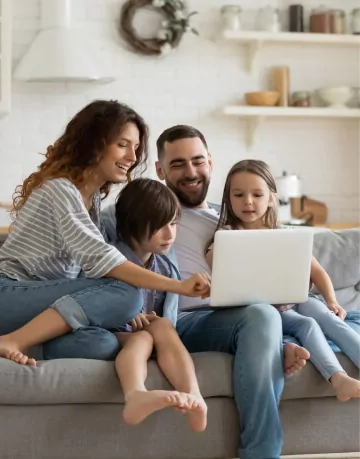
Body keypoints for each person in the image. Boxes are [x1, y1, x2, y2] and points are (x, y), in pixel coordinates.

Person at [102, 125, 310, 459]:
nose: (191, 172)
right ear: (160, 170)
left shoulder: (232, 216)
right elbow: (96, 250)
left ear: (210, 162)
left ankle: (261, 447)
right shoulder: (142, 212)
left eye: (198, 161)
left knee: (264, 314)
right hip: (175, 321)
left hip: (228, 316)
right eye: (178, 164)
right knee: (262, 318)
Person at [0, 102, 210, 368]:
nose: (132, 157)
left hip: (35, 311)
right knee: (128, 293)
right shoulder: (60, 191)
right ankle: (14, 341)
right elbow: (105, 262)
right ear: (94, 143)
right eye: (123, 144)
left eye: (135, 148)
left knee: (103, 343)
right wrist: (178, 286)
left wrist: (122, 312)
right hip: (2, 299)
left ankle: (4, 344)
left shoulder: (93, 205)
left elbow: (93, 271)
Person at [205, 159, 360, 402]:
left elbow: (317, 272)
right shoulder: (227, 236)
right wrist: (218, 248)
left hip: (298, 297)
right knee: (306, 325)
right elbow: (217, 265)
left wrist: (332, 301)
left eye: (257, 194)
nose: (248, 201)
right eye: (239, 195)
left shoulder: (286, 234)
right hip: (266, 309)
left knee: (325, 316)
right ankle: (339, 379)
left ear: (270, 199)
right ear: (228, 199)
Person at [111, 177, 207, 431]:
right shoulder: (112, 259)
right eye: (159, 226)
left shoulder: (165, 265)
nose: (170, 234)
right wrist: (126, 315)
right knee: (143, 339)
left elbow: (168, 313)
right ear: (132, 226)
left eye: (173, 223)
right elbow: (95, 302)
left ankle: (194, 396)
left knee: (163, 327)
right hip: (113, 332)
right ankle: (136, 394)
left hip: (153, 332)